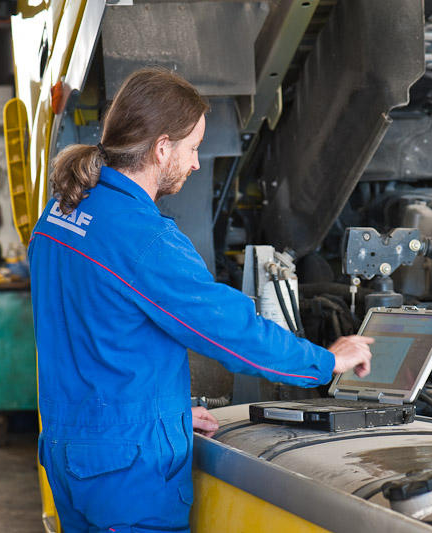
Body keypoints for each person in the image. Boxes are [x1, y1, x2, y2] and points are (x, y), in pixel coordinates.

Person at [28, 67, 373, 533]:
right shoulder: (145, 239)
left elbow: (93, 336)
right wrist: (324, 361)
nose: (194, 164)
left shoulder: (61, 211)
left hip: (72, 453)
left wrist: (162, 413)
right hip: (127, 476)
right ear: (162, 147)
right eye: (191, 149)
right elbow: (230, 331)